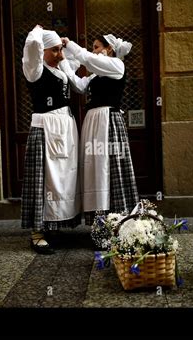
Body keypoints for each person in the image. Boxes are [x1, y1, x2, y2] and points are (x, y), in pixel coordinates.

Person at [60, 34, 139, 225]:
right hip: (93, 121)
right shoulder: (96, 73)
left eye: (96, 47)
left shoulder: (117, 66)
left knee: (109, 166)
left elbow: (88, 59)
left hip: (108, 121)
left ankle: (117, 219)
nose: (94, 50)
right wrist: (63, 62)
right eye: (93, 48)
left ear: (108, 49)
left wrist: (69, 44)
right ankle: (99, 221)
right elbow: (78, 85)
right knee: (94, 166)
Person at [21, 25, 81, 254]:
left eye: (60, 49)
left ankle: (54, 225)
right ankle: (37, 232)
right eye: (55, 50)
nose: (60, 54)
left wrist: (66, 45)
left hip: (64, 126)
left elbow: (74, 63)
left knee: (62, 179)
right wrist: (37, 30)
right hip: (45, 127)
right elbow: (32, 46)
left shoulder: (61, 68)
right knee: (42, 180)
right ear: (44, 51)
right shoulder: (34, 70)